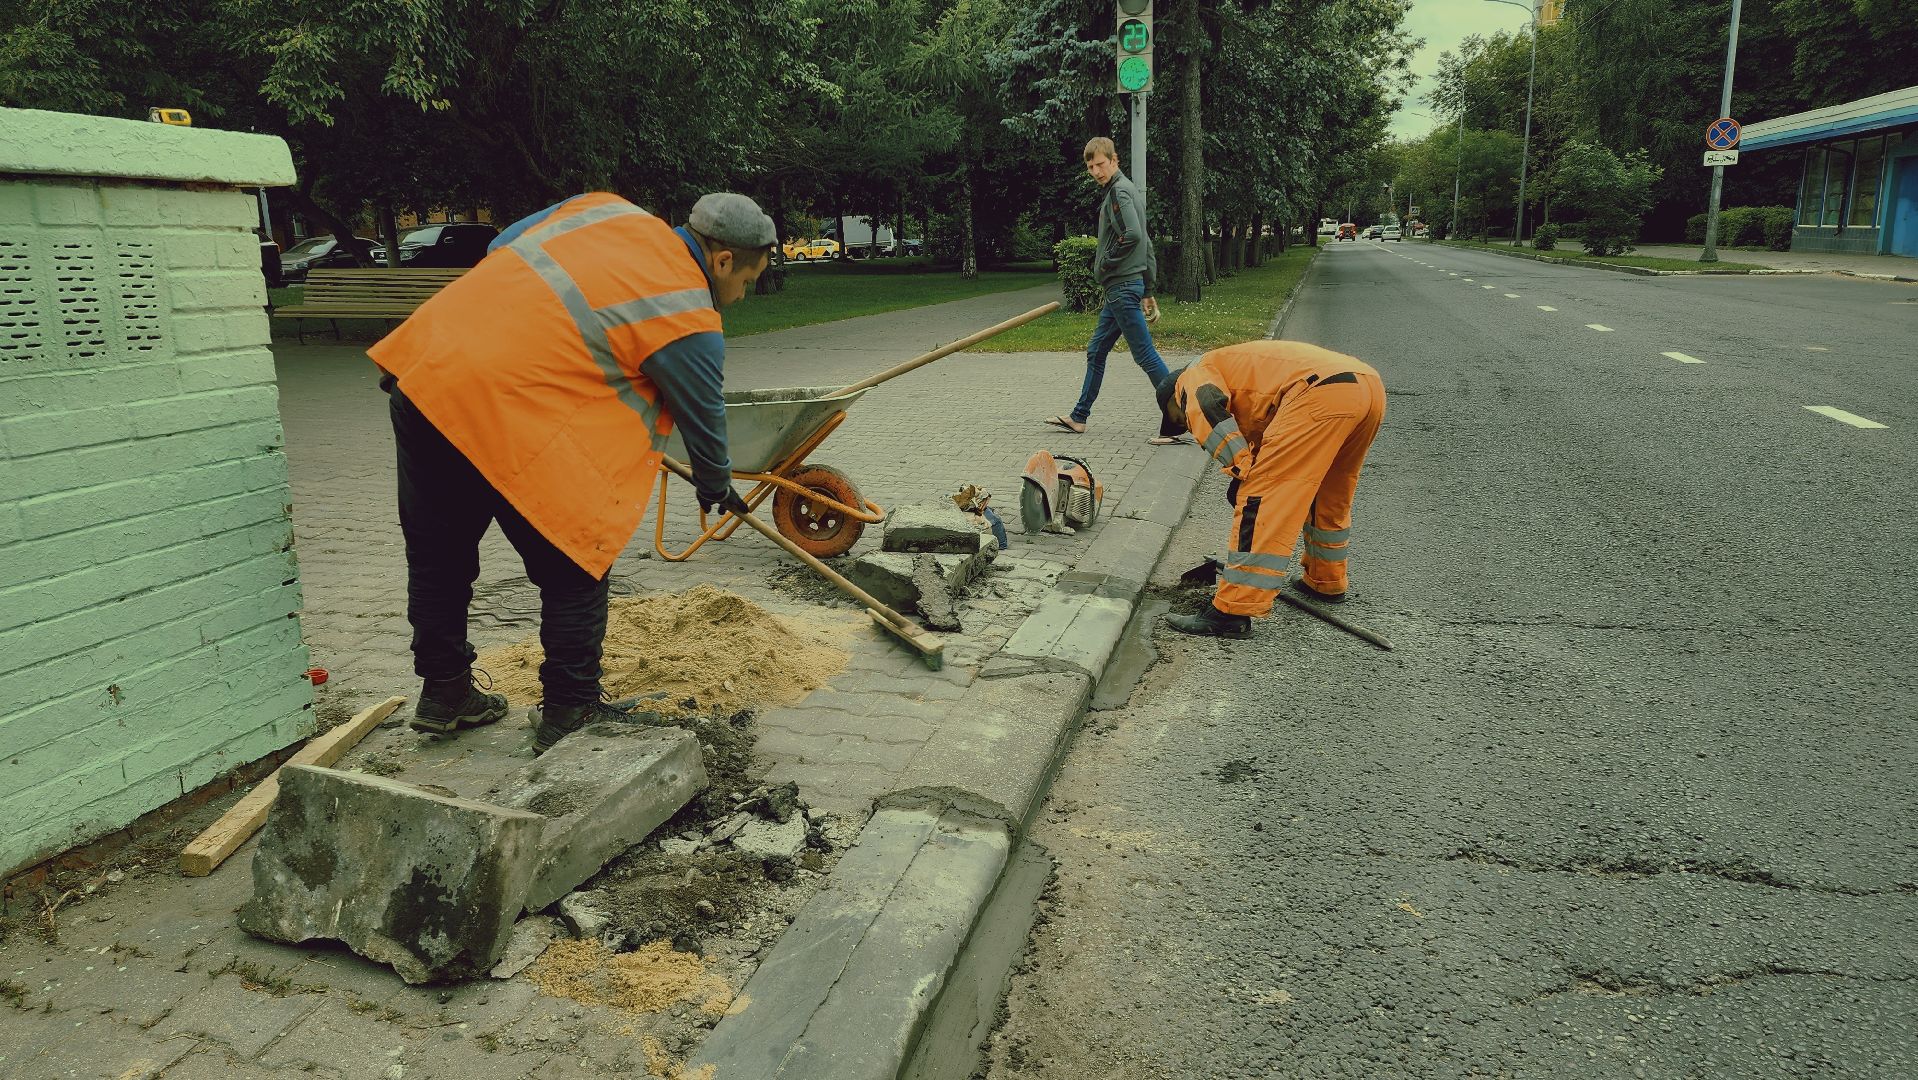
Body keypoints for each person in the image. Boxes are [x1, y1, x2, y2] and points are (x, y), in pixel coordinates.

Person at [368, 191, 773, 752]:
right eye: (747, 282)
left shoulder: (606, 209)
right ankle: (570, 709)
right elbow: (703, 415)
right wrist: (714, 482)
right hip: (504, 408)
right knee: (576, 563)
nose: (741, 295)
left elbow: (502, 245)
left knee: (438, 557)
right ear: (724, 260)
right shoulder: (687, 309)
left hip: (428, 374)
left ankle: (445, 694)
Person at [1155, 340, 1386, 637]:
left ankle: (1231, 612)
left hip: (1318, 393)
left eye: (1178, 417)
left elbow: (1207, 407)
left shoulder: (1191, 376)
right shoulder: (1238, 370)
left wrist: (1243, 472)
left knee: (1263, 500)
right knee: (1329, 494)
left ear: (1174, 397)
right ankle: (1325, 580)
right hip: (1367, 388)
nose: (1184, 424)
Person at [1045, 136, 1174, 443]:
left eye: (1101, 164)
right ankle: (1079, 417)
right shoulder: (1126, 190)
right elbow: (1147, 243)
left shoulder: (1118, 192)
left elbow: (1131, 236)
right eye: (1091, 167)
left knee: (1145, 355)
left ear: (1114, 160)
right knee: (1097, 350)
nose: (1096, 171)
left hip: (1120, 286)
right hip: (1126, 287)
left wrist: (1105, 264)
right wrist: (1148, 288)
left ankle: (1182, 420)